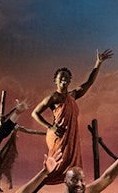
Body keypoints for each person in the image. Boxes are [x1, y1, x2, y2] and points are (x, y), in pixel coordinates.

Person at [32, 49, 113, 184]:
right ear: (55, 80)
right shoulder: (53, 97)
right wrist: (50, 127)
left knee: (71, 168)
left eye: (67, 77)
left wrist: (98, 63)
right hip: (59, 135)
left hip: (71, 137)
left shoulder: (73, 95)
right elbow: (35, 113)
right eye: (61, 77)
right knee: (55, 166)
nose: (64, 78)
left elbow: (89, 83)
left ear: (70, 80)